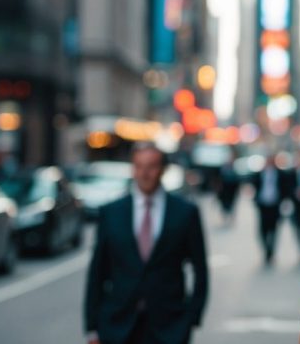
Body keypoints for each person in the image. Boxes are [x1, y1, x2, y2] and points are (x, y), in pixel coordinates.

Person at [84, 145, 208, 344]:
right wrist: (92, 327)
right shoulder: (111, 213)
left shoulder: (185, 213)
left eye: (151, 166)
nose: (145, 173)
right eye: (139, 166)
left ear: (163, 169)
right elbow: (98, 272)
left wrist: (191, 318)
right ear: (133, 169)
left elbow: (200, 270)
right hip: (117, 326)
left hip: (169, 327)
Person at [253, 151, 293, 266]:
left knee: (274, 230)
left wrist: (284, 201)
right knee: (262, 230)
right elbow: (254, 186)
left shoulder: (281, 174)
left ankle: (271, 251)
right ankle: (267, 250)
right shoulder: (259, 174)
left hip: (275, 206)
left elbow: (286, 189)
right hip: (263, 205)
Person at [215, 152, 241, 226]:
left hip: (232, 190)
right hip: (224, 190)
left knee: (231, 205)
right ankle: (225, 216)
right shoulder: (223, 168)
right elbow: (219, 179)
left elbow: (237, 180)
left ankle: (230, 217)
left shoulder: (234, 168)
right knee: (224, 204)